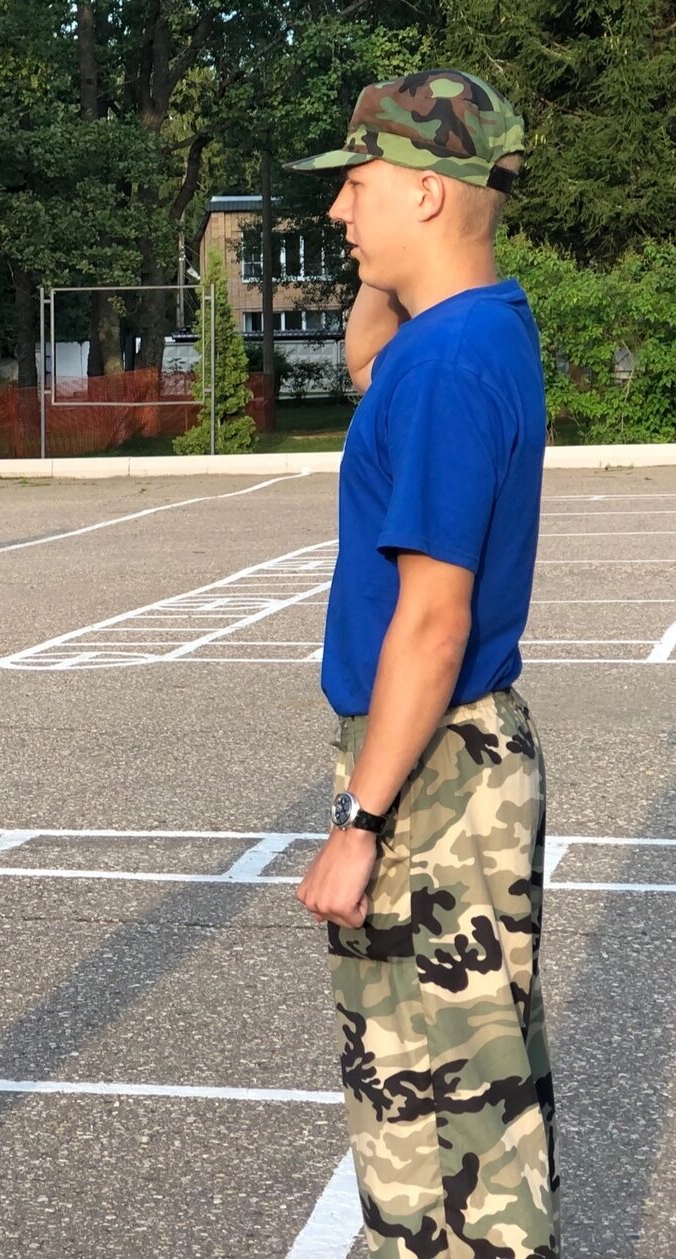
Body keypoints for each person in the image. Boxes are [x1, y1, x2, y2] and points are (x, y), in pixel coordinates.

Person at [287, 70, 557, 1258]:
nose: (340, 211)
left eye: (357, 184)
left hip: (432, 763)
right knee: (411, 1093)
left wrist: (360, 816)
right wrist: (372, 318)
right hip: (434, 751)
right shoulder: (461, 336)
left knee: (465, 1126)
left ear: (432, 194)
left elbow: (432, 619)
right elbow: (388, 395)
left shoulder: (448, 364)